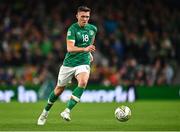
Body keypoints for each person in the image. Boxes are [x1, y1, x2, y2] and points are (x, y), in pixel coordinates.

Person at [37, 6, 97, 125]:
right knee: (58, 90)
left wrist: (88, 52)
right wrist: (85, 49)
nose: (85, 19)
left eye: (87, 17)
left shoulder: (93, 29)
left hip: (83, 62)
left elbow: (91, 42)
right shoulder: (72, 29)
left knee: (83, 82)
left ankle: (67, 110)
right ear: (77, 16)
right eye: (82, 16)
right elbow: (70, 48)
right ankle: (44, 113)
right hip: (69, 64)